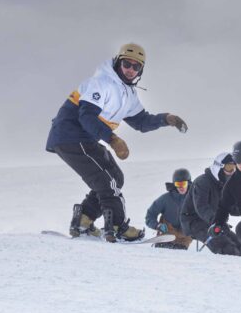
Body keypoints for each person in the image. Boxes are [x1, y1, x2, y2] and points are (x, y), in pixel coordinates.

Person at [46, 42, 188, 243]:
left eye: (135, 66)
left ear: (141, 69)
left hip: (84, 139)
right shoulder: (101, 83)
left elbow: (141, 121)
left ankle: (84, 221)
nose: (130, 70)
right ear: (117, 63)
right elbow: (86, 116)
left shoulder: (128, 94)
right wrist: (112, 139)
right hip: (70, 135)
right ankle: (117, 228)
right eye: (126, 64)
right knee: (107, 182)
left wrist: (166, 119)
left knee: (115, 177)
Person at [180, 153, 241, 256]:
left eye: (234, 168)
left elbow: (231, 207)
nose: (232, 172)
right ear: (218, 167)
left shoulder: (225, 185)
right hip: (194, 221)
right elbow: (202, 207)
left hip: (215, 222)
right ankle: (231, 270)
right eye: (229, 168)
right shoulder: (202, 182)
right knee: (227, 247)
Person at [145, 168, 193, 250]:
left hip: (184, 236)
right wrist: (157, 225)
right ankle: (162, 244)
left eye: (183, 184)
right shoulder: (165, 199)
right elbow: (150, 215)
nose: (181, 187)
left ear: (188, 183)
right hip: (167, 234)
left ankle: (180, 246)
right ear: (174, 184)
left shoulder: (195, 199)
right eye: (178, 184)